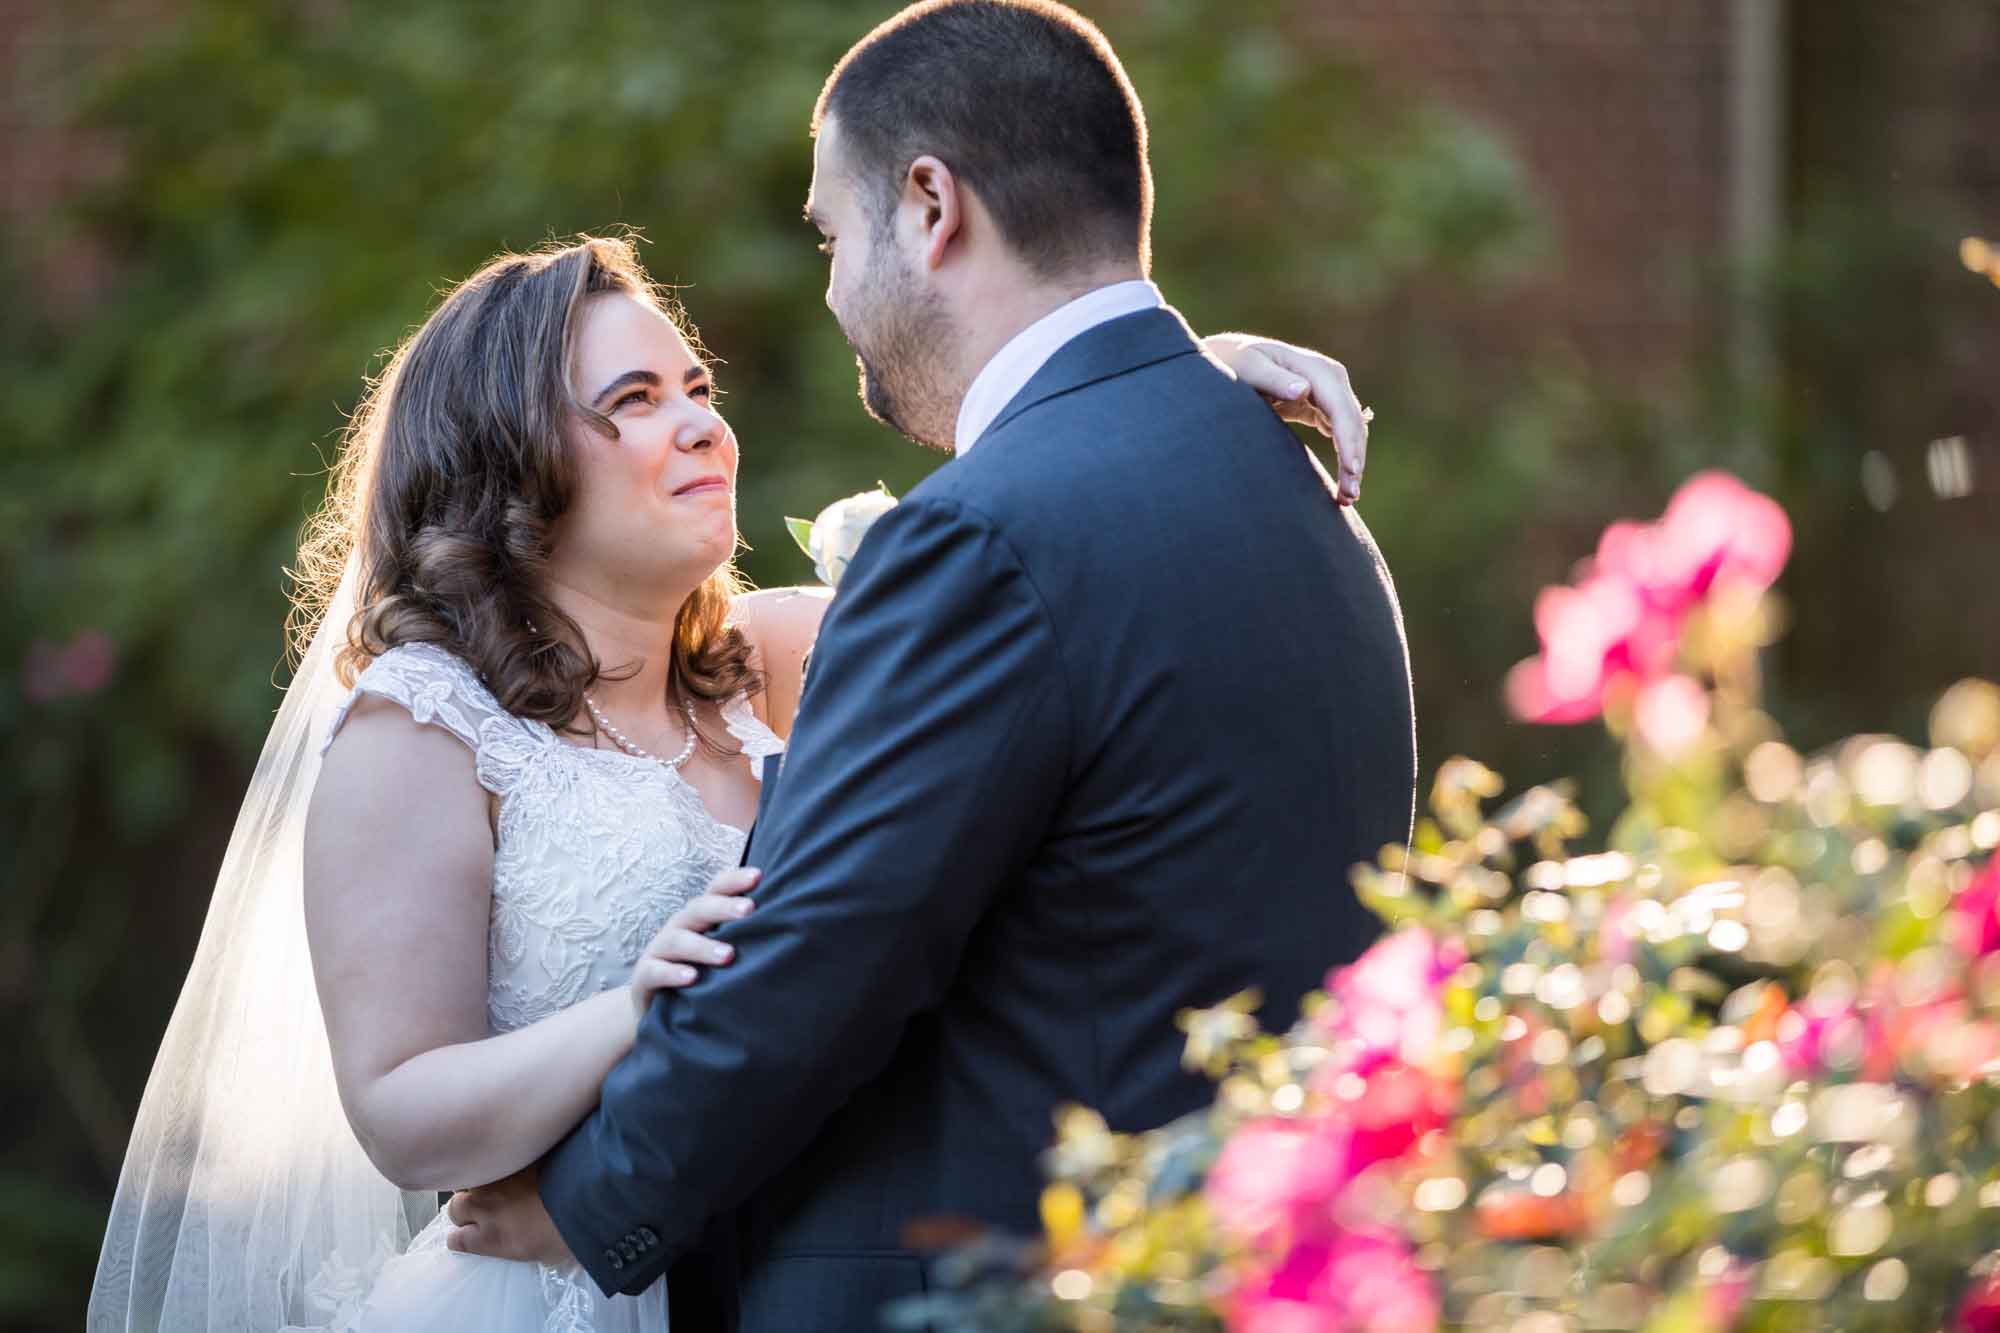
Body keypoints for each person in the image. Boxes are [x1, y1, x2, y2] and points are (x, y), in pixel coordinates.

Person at [85, 224, 1372, 1330]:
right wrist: (632, 1012)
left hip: (762, 1272)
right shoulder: (420, 732)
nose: (702, 422)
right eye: (633, 402)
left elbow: (1030, 540)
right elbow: (405, 1116)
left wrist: (1171, 383)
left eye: (695, 385)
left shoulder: (777, 654)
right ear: (508, 466)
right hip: (542, 1291)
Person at [449, 4, 1417, 1331]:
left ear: (928, 208)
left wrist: (583, 1200)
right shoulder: (1300, 485)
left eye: (833, 236)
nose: (835, 291)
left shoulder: (985, 537)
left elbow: (825, 955)